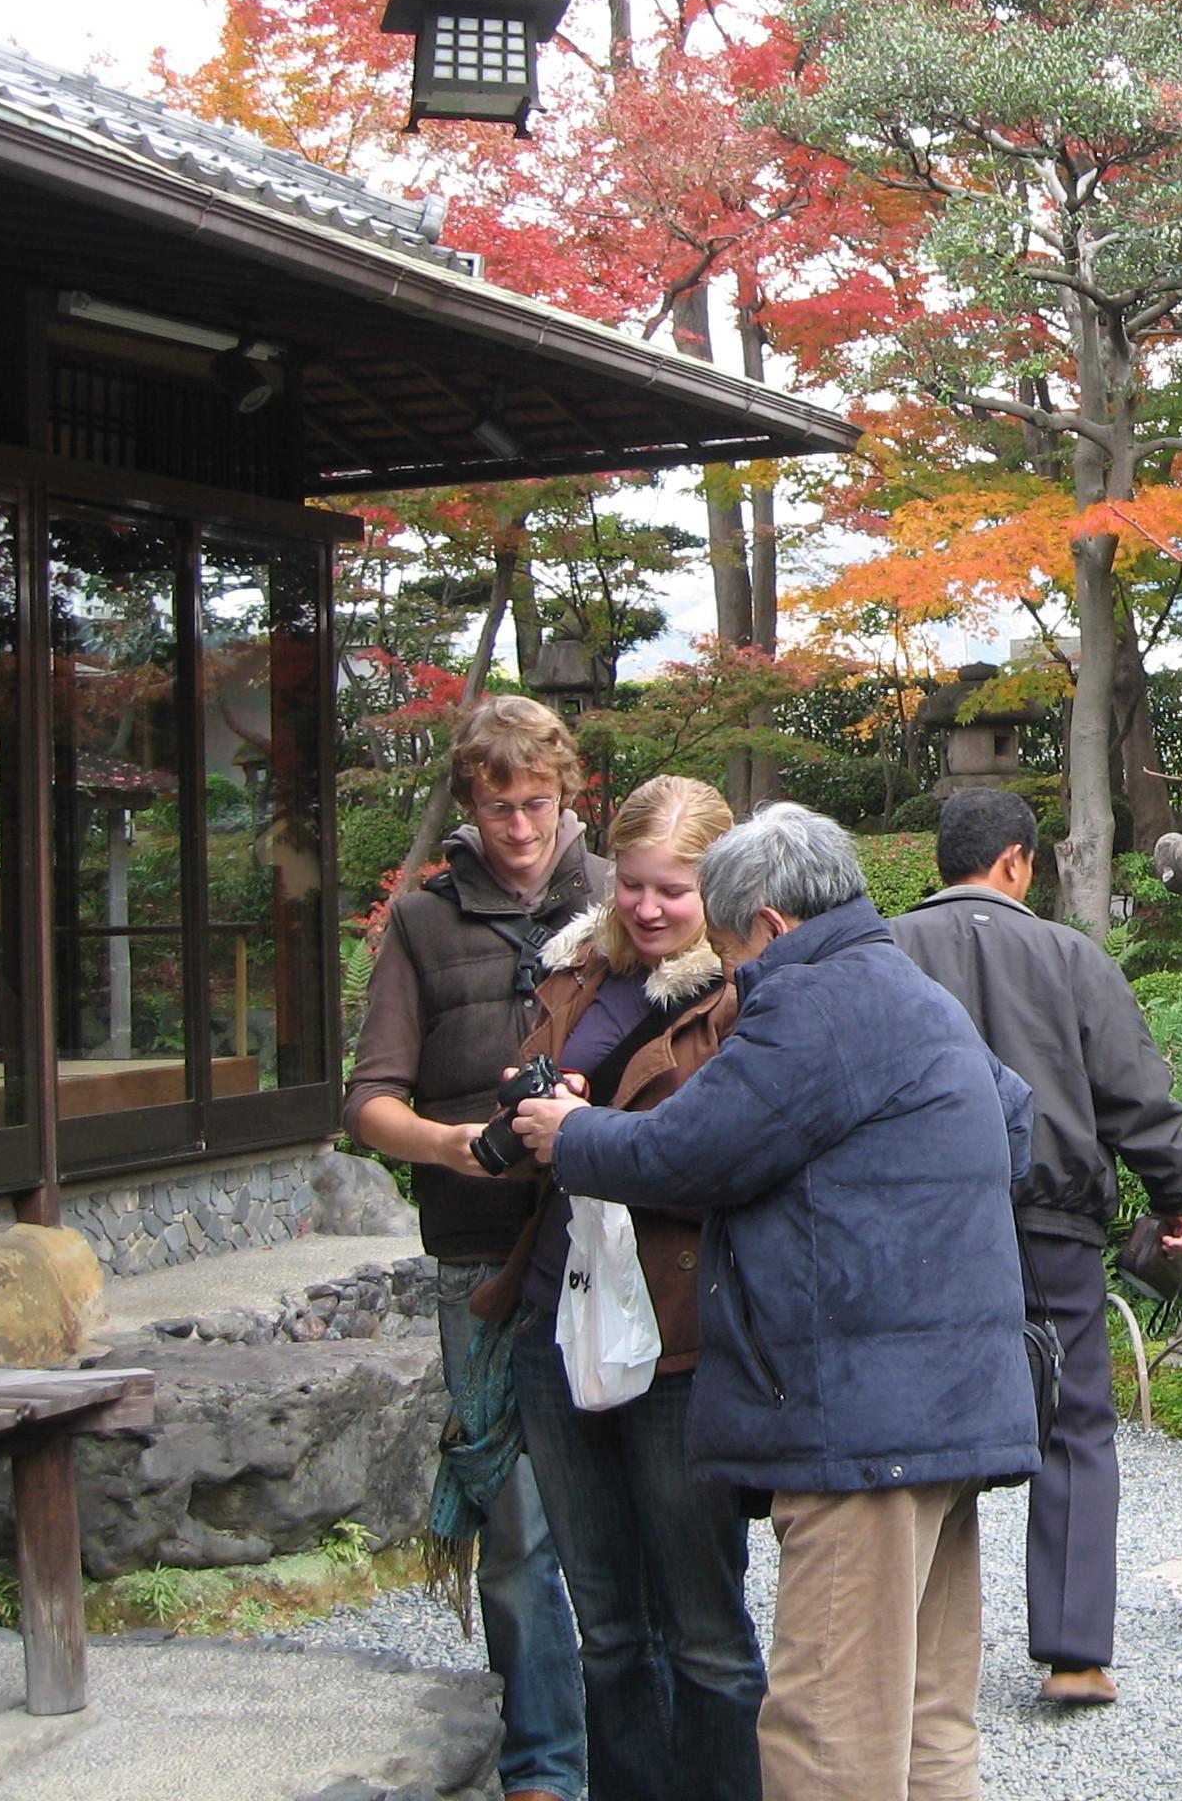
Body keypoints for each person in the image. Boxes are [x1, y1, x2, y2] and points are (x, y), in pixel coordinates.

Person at [514, 804, 1039, 1801]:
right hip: (949, 1408)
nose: (730, 968)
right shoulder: (907, 989)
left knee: (825, 1731)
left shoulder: (814, 1002)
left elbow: (691, 1151)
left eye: (728, 946)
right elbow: (1015, 1126)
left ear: (770, 923)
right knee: (926, 1718)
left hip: (859, 1426)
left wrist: (569, 1133)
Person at [474, 775, 765, 1801]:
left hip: (679, 1334)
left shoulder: (748, 997)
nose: (645, 908)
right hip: (558, 1314)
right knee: (606, 1625)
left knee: (704, 1630)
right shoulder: (578, 970)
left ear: (716, 891)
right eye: (632, 884)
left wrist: (591, 1136)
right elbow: (526, 1131)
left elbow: (738, 1165)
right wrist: (530, 1112)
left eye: (672, 891)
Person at [889, 789, 1182, 1709]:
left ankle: (903, 1646)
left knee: (913, 1425)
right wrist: (1174, 1198)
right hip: (1053, 1225)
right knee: (1075, 1426)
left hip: (921, 1230)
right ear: (1017, 862)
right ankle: (1073, 1656)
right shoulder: (1073, 958)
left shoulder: (889, 953)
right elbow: (1135, 1094)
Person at [345, 695, 597, 1801]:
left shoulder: (621, 896)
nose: (522, 827)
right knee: (517, 1517)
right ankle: (541, 1766)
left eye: (538, 802)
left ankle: (642, 1750)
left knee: (640, 1505)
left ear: (567, 793)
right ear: (468, 805)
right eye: (500, 808)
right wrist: (452, 1146)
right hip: (481, 1252)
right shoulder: (423, 920)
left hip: (610, 1243)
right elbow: (369, 1103)